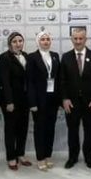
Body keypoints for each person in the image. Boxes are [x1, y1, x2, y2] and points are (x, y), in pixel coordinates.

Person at [59, 26, 91, 169]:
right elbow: (62, 81)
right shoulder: (66, 57)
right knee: (72, 131)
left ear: (86, 39)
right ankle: (72, 157)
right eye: (75, 38)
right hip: (71, 103)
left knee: (89, 131)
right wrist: (65, 99)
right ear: (71, 39)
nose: (78, 41)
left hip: (90, 102)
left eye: (81, 38)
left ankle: (89, 158)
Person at [27, 30, 61, 171]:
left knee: (50, 129)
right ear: (38, 42)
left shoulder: (55, 56)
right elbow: (29, 82)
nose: (45, 42)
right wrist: (32, 103)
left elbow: (58, 78)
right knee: (40, 129)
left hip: (53, 100)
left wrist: (60, 100)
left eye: (47, 39)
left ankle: (48, 155)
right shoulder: (32, 57)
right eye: (42, 39)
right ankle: (40, 158)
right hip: (39, 101)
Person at [0, 31, 32, 170]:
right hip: (11, 100)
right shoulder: (4, 58)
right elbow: (4, 81)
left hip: (25, 100)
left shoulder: (26, 56)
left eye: (20, 41)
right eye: (14, 41)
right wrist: (9, 101)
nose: (18, 44)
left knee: (23, 128)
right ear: (9, 44)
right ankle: (11, 157)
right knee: (11, 129)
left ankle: (20, 154)